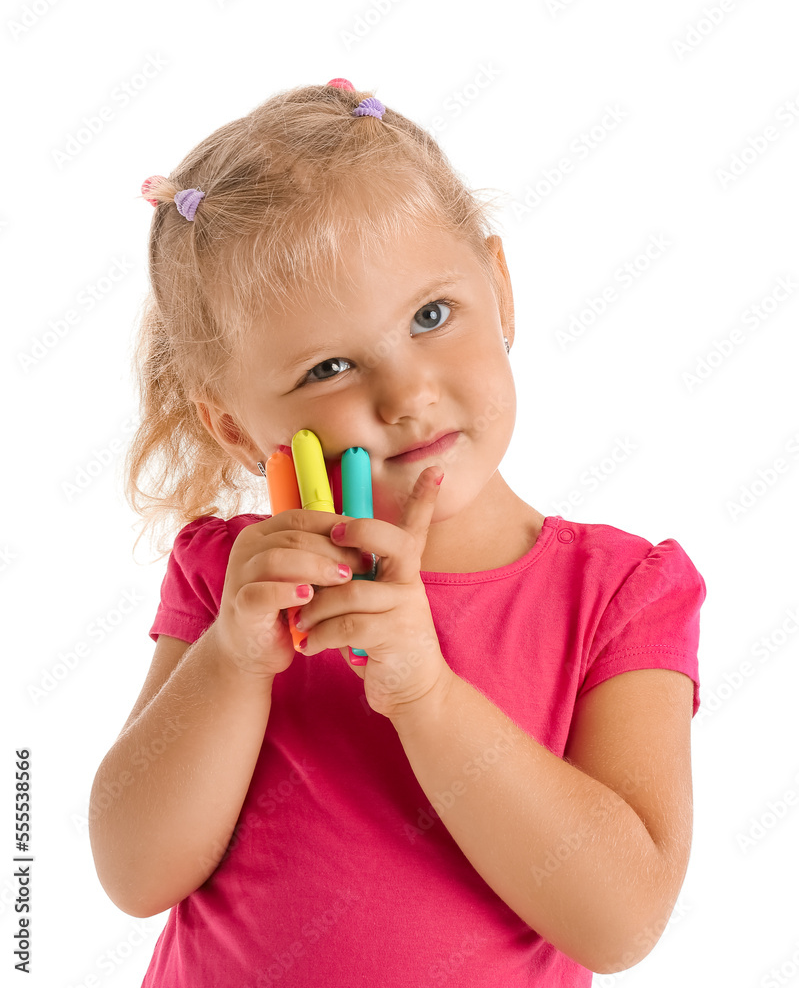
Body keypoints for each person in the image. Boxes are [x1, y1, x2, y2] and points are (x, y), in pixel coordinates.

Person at [88, 79, 706, 987]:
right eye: (328, 366)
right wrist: (231, 660)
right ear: (232, 426)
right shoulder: (233, 585)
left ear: (498, 288)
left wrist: (425, 695)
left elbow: (619, 923)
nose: (407, 394)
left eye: (430, 316)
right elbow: (134, 874)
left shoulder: (620, 590)